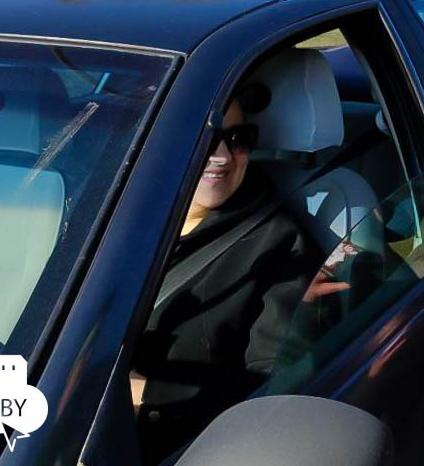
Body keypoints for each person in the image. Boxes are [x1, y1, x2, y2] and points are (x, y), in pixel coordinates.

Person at [130, 91, 327, 462]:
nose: (221, 156)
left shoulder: (281, 245)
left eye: (237, 139)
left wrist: (147, 392)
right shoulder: (115, 219)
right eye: (204, 139)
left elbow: (275, 393)